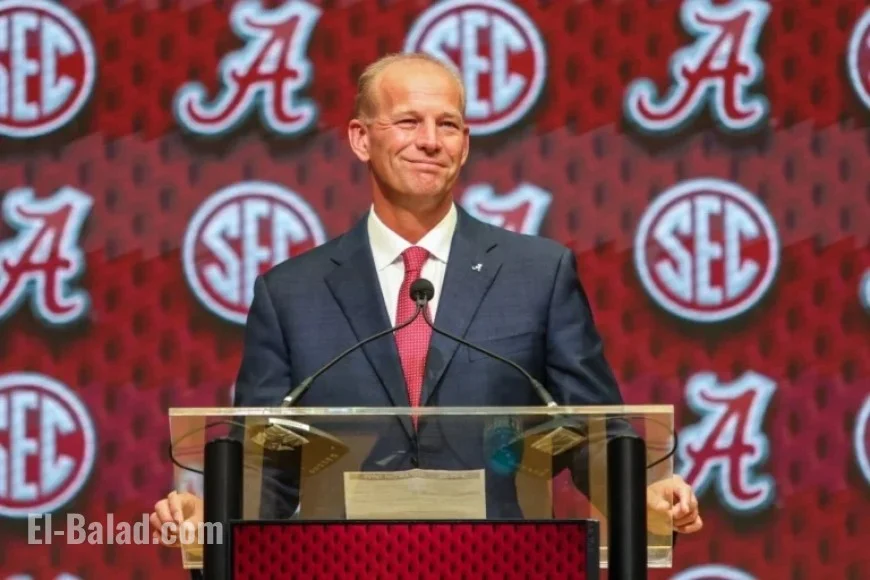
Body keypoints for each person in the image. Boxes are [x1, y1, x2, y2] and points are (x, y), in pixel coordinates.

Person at [150, 53, 702, 542]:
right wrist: (213, 515)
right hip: (342, 563)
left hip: (501, 561)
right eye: (409, 122)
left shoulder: (538, 273)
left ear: (465, 145)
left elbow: (591, 430)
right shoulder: (291, 293)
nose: (431, 141)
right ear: (361, 139)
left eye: (449, 125)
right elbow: (262, 465)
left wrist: (640, 495)